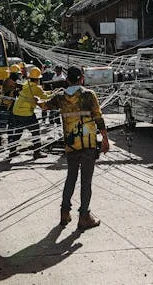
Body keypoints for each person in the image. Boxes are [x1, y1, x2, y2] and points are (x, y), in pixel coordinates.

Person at [40, 66, 109, 230]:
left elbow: (44, 106)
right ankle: (84, 216)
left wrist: (34, 99)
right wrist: (105, 139)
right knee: (86, 180)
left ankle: (65, 212)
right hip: (88, 144)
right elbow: (98, 117)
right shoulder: (88, 95)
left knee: (71, 177)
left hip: (71, 144)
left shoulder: (61, 97)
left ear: (67, 80)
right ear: (82, 78)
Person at [11, 66, 53, 159]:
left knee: (18, 132)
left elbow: (43, 93)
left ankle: (12, 151)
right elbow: (44, 97)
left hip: (16, 111)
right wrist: (55, 94)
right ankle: (37, 152)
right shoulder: (36, 88)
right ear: (38, 79)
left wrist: (51, 92)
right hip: (26, 113)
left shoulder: (26, 84)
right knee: (36, 132)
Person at [0, 64, 22, 149]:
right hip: (4, 108)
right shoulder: (9, 82)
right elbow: (15, 89)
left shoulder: (10, 81)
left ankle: (8, 144)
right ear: (14, 74)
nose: (19, 76)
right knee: (3, 128)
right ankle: (1, 144)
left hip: (9, 108)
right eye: (18, 74)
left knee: (10, 126)